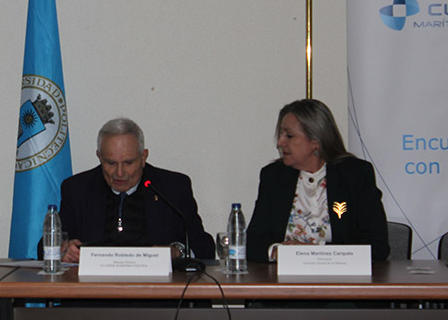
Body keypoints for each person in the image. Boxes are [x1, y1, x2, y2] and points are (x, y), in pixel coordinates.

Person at [246, 99, 390, 262]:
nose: (280, 142)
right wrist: (276, 251)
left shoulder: (355, 175)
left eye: (289, 135)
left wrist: (316, 252)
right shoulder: (274, 177)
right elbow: (253, 242)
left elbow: (377, 246)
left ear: (315, 142)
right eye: (280, 135)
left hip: (342, 280)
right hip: (284, 281)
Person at [58, 118, 215, 263]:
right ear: (99, 156)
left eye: (128, 162)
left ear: (143, 157)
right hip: (94, 289)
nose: (119, 173)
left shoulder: (172, 188)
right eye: (111, 163)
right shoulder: (77, 189)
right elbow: (45, 246)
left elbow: (204, 247)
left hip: (158, 289)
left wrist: (177, 252)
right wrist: (63, 250)